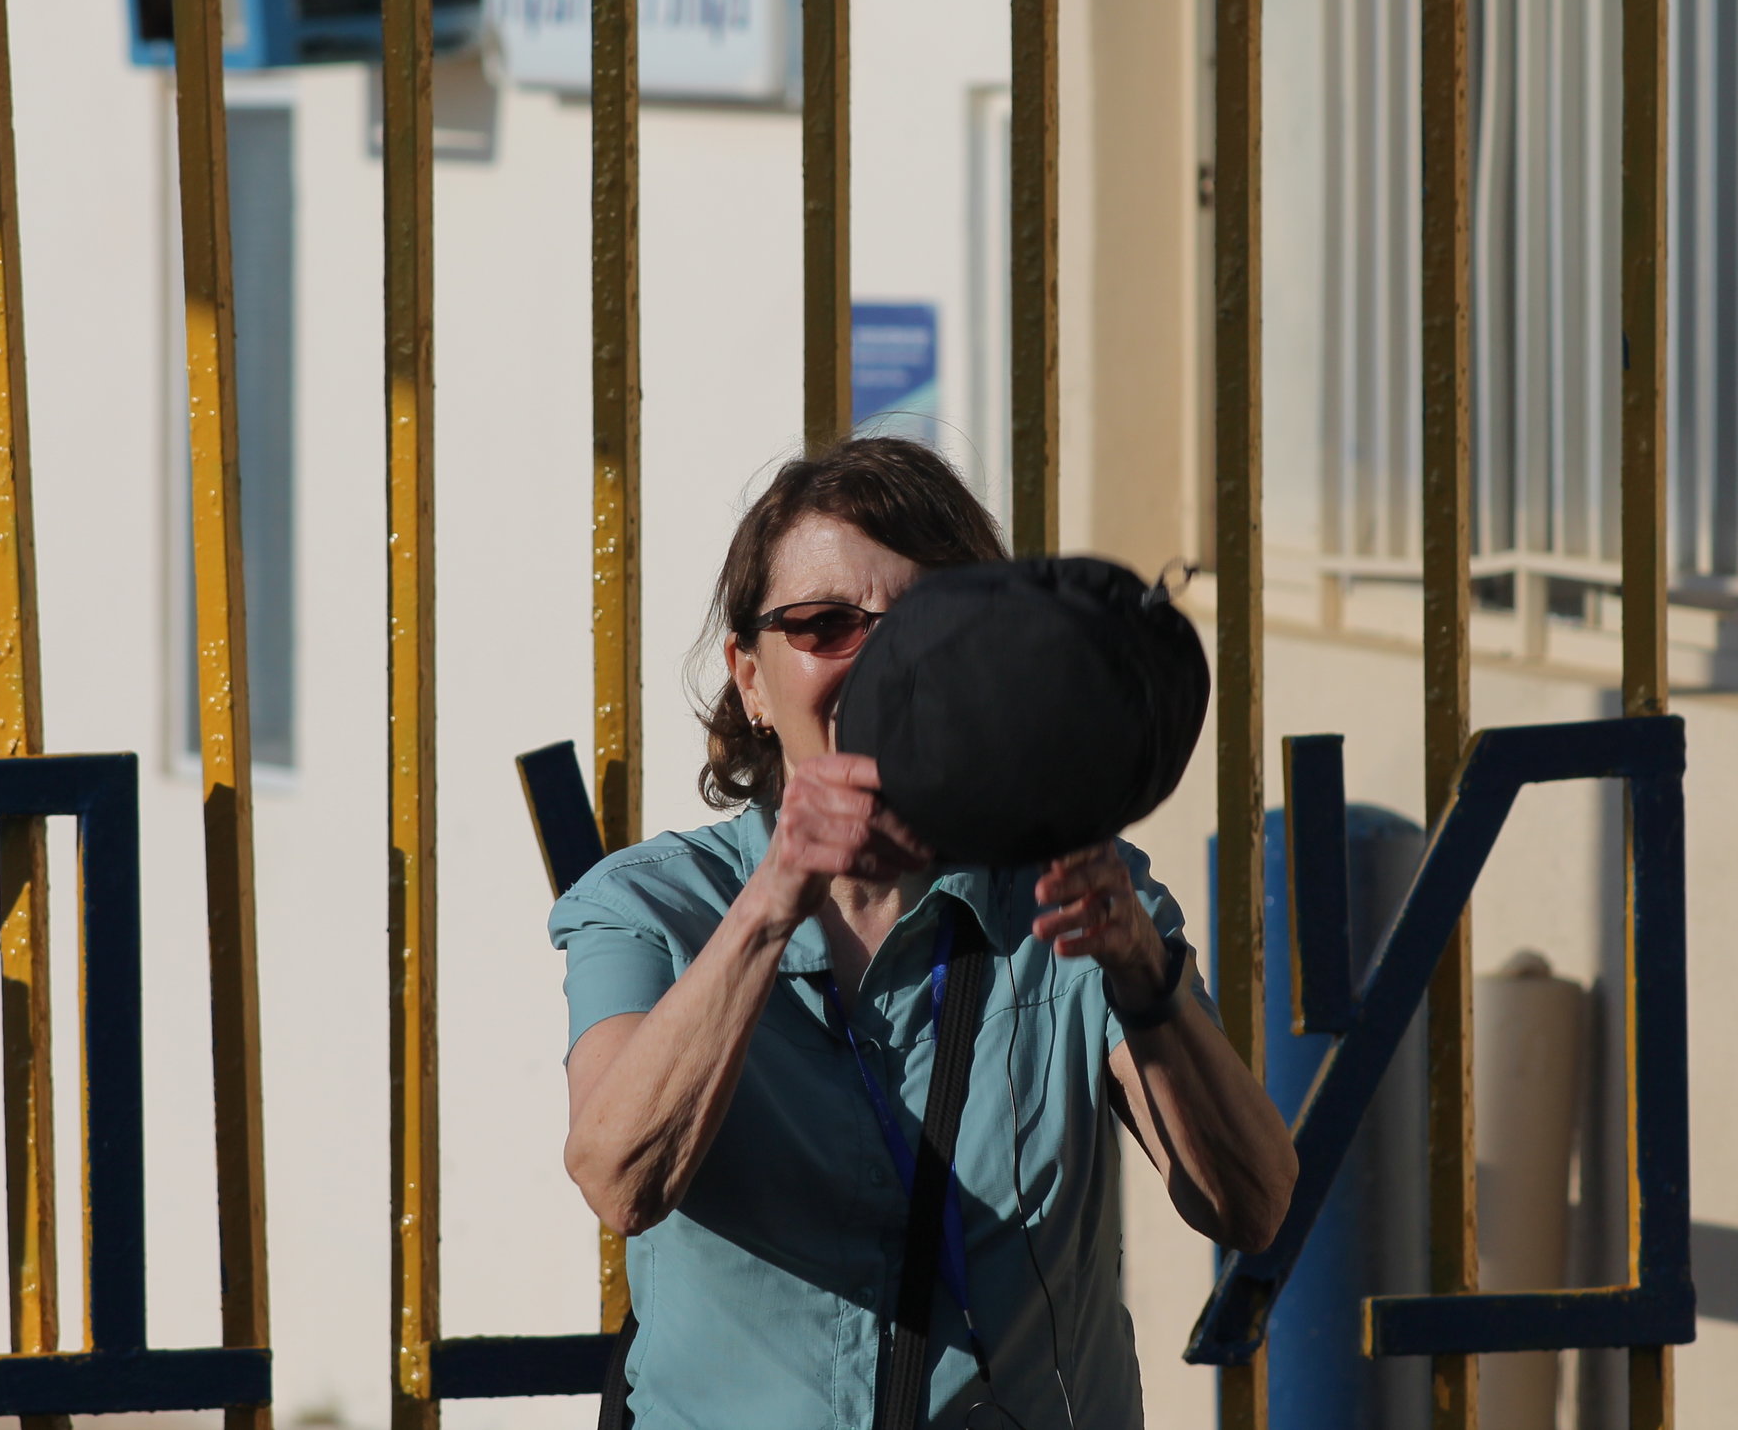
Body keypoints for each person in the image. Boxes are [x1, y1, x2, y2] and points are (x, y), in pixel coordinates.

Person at [550, 438, 1297, 1430]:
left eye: (923, 630)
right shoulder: (651, 904)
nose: (879, 667)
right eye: (824, 626)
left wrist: (1142, 975)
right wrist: (774, 899)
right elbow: (618, 1175)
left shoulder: (1070, 896)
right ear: (752, 680)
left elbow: (1250, 1204)